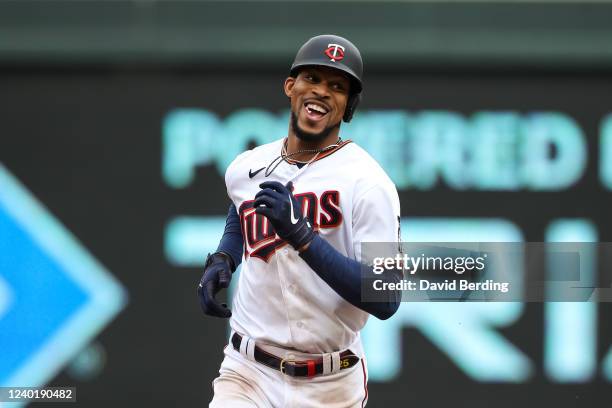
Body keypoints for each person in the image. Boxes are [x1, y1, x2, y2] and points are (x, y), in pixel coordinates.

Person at [198, 34, 402, 408]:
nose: (322, 91)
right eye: (313, 79)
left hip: (330, 383)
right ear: (291, 86)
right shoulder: (248, 166)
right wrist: (225, 257)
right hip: (248, 373)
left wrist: (302, 236)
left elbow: (386, 296)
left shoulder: (369, 184)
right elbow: (240, 206)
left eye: (337, 86)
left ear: (348, 106)